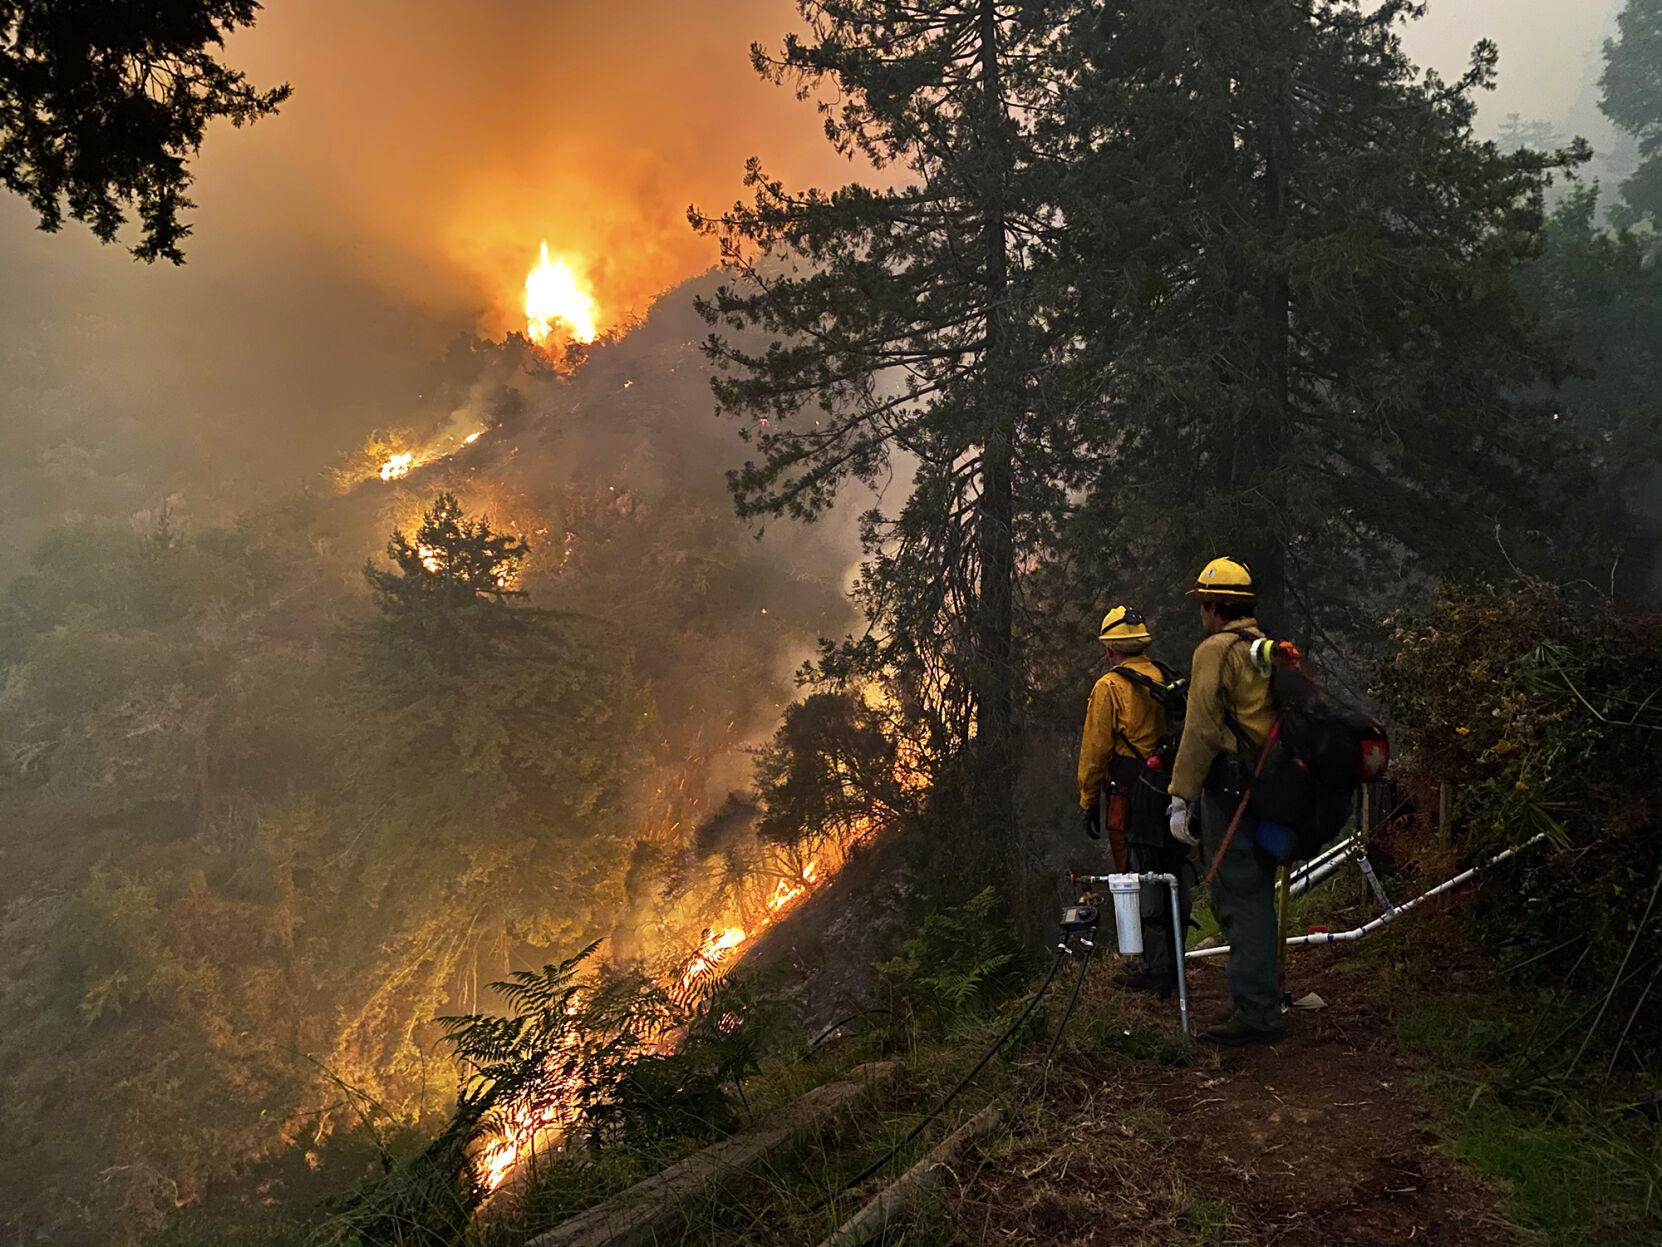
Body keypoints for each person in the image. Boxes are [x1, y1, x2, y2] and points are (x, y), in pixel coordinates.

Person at [1167, 557, 1283, 1046]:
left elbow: (1201, 730)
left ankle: (1257, 1013)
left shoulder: (1215, 650)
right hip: (1270, 787)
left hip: (1233, 790)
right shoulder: (1265, 648)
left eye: (1202, 607)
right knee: (1257, 888)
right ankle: (1261, 996)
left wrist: (1181, 797)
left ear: (1214, 608)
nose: (1201, 615)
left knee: (1239, 894)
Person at [1077, 606, 1192, 995]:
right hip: (1174, 789)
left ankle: (1154, 968)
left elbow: (1094, 751)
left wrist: (1088, 800)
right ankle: (1175, 961)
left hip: (1131, 792)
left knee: (1138, 875)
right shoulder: (1164, 676)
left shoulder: (1109, 687)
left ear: (1110, 650)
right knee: (1173, 871)